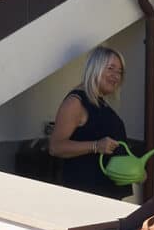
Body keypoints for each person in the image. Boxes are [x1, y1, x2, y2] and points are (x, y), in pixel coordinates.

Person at [49, 46, 133, 197]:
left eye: (119, 72)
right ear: (95, 68)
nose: (115, 76)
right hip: (85, 195)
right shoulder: (75, 102)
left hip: (107, 195)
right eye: (110, 68)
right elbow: (56, 147)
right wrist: (95, 146)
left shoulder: (100, 103)